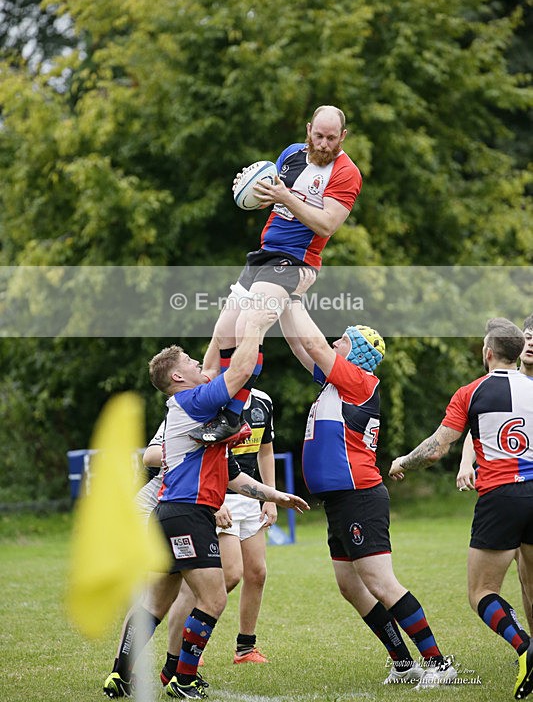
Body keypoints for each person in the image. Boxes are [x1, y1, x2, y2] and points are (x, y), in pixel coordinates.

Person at [103, 307, 309, 701]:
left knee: (155, 602)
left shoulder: (198, 413)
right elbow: (241, 369)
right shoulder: (194, 401)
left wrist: (276, 495)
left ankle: (120, 675)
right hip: (188, 513)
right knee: (213, 598)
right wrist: (256, 324)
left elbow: (233, 477)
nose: (200, 364)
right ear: (177, 377)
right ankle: (183, 679)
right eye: (190, 362)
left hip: (168, 514)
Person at [280, 268, 456, 689]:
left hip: (359, 495)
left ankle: (438, 664)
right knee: (351, 587)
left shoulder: (358, 380)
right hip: (341, 500)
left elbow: (313, 344)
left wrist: (296, 296)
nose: (334, 344)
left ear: (355, 352)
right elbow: (298, 344)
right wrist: (281, 301)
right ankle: (404, 662)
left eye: (342, 341)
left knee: (380, 582)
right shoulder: (336, 384)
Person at [389, 317, 533, 700]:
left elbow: (436, 449)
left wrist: (402, 461)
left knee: (481, 591)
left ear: (488, 353)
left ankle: (525, 647)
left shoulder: (472, 392)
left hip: (501, 496)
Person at [208, 106, 362, 441]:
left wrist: (285, 196)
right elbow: (271, 198)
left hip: (296, 259)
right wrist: (249, 190)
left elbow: (327, 224)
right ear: (308, 130)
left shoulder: (346, 172)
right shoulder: (291, 154)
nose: (324, 144)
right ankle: (215, 409)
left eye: (331, 138)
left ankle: (232, 415)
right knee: (224, 334)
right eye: (318, 136)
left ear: (343, 137)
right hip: (264, 253)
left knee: (251, 324)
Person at [151, 386, 276, 675]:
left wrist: (270, 498)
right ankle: (187, 647)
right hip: (217, 496)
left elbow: (266, 451)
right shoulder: (210, 400)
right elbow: (178, 454)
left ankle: (245, 648)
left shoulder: (263, 401)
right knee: (228, 575)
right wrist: (216, 502)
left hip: (250, 495)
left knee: (257, 573)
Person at [455, 314, 533, 632]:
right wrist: (465, 464)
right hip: (512, 491)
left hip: (509, 493)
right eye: (528, 336)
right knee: (523, 575)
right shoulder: (494, 387)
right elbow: (479, 429)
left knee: (525, 580)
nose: (531, 343)